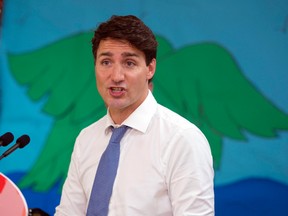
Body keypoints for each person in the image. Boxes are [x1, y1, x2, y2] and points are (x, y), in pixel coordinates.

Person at [55, 15, 214, 216]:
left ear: (150, 68)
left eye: (129, 63)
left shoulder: (182, 139)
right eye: (106, 62)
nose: (116, 76)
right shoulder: (86, 139)